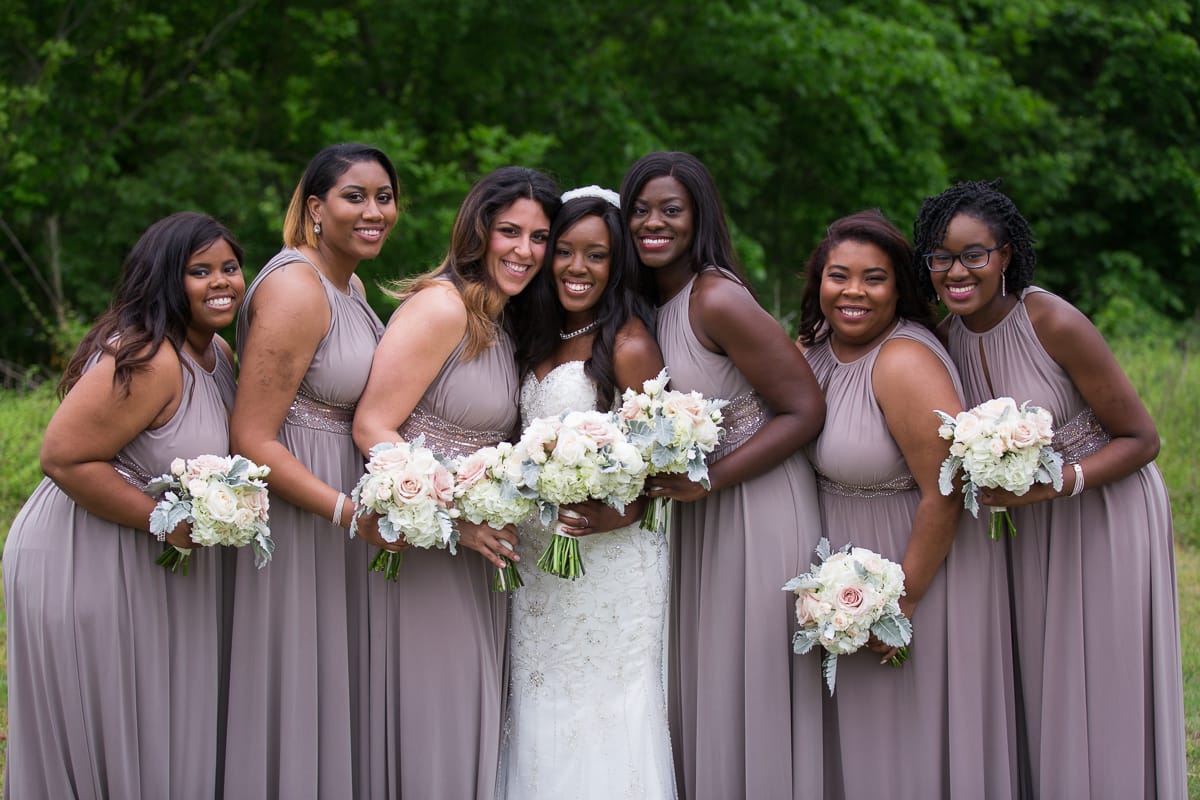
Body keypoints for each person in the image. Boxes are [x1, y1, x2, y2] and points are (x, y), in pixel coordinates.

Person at [912, 179, 1186, 799]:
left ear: (1005, 255)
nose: (957, 271)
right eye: (941, 256)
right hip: (1027, 526)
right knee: (1046, 680)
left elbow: (1141, 439)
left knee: (1103, 678)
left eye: (973, 254)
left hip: (1104, 511)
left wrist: (1060, 483)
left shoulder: (1050, 320)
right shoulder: (946, 339)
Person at [4, 212, 243, 799]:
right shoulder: (149, 358)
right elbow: (63, 458)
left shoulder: (220, 358)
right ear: (166, 280)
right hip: (85, 556)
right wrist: (170, 522)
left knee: (154, 723)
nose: (221, 282)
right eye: (200, 271)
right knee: (111, 727)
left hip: (147, 556)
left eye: (230, 268)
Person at [620, 151, 826, 799]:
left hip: (758, 504)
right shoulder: (656, 301)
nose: (654, 223)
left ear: (699, 216)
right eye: (641, 210)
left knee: (754, 677)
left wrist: (713, 478)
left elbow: (804, 409)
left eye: (671, 210)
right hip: (700, 506)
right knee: (710, 677)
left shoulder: (715, 298)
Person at [351, 165, 559, 799]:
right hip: (427, 550)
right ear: (478, 231)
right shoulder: (442, 307)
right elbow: (373, 426)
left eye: (540, 237)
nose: (524, 251)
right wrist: (454, 515)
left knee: (466, 715)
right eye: (510, 232)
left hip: (475, 556)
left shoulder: (503, 321)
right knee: (433, 717)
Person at [796, 209, 1018, 798]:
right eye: (838, 275)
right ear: (817, 280)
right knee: (864, 743)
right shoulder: (814, 349)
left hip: (913, 567)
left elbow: (943, 492)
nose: (853, 292)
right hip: (844, 570)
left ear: (899, 287)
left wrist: (904, 601)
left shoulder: (903, 362)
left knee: (906, 742)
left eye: (874, 278)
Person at [223, 143, 398, 798]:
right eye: (355, 196)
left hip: (339, 507)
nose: (374, 211)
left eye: (384, 197)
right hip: (303, 511)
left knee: (333, 684)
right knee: (297, 682)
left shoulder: (347, 283)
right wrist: (344, 512)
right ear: (317, 208)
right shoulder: (298, 287)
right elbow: (251, 435)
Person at [498, 187, 676, 799]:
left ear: (617, 262)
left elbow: (663, 468)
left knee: (603, 706)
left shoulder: (628, 345)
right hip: (538, 561)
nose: (578, 268)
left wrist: (611, 515)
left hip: (609, 563)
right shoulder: (533, 332)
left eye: (596, 256)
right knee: (539, 696)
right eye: (565, 251)